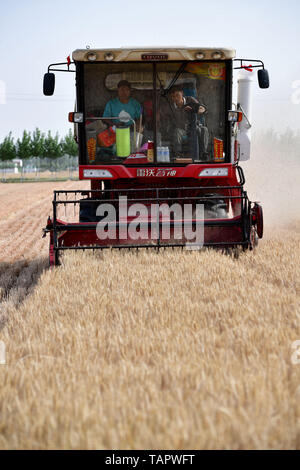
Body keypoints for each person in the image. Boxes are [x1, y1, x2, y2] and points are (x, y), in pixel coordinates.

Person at [166, 85, 209, 159]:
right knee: (177, 132)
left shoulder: (190, 100)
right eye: (173, 97)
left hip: (194, 127)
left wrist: (198, 110)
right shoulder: (170, 107)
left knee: (204, 129)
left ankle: (203, 153)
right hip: (181, 129)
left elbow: (202, 108)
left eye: (177, 95)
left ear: (182, 93)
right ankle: (178, 154)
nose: (176, 98)